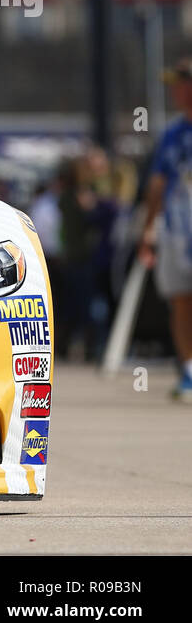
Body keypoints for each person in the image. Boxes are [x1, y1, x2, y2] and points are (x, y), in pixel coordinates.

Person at [138, 58, 192, 400]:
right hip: (177, 230)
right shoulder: (172, 134)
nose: (174, 90)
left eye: (180, 82)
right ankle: (188, 371)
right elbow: (157, 184)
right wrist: (148, 229)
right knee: (180, 300)